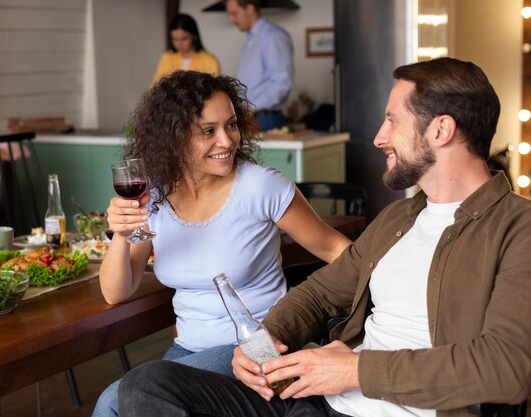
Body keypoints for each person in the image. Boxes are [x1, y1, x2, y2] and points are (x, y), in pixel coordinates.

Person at [118, 58, 531, 417]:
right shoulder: (398, 220)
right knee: (146, 384)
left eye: (392, 120)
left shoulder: (518, 228)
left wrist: (353, 369)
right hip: (317, 399)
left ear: (440, 130)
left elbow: (507, 368)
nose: (379, 137)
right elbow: (317, 295)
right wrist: (260, 345)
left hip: (382, 403)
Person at [91, 70, 351, 417]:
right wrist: (122, 235)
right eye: (208, 131)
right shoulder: (152, 196)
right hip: (187, 350)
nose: (227, 141)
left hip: (259, 344)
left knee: (113, 400)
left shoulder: (260, 186)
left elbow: (337, 250)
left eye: (231, 125)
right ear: (173, 138)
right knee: (115, 403)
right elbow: (115, 292)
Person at [225, 0, 294, 132]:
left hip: (265, 119)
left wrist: (251, 107)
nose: (232, 20)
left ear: (250, 8)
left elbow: (282, 82)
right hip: (251, 118)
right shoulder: (251, 40)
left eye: (234, 13)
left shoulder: (273, 36)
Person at [152, 13, 220, 84]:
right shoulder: (166, 57)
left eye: (184, 39)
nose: (179, 44)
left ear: (194, 36)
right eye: (175, 39)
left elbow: (214, 89)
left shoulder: (209, 60)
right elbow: (155, 85)